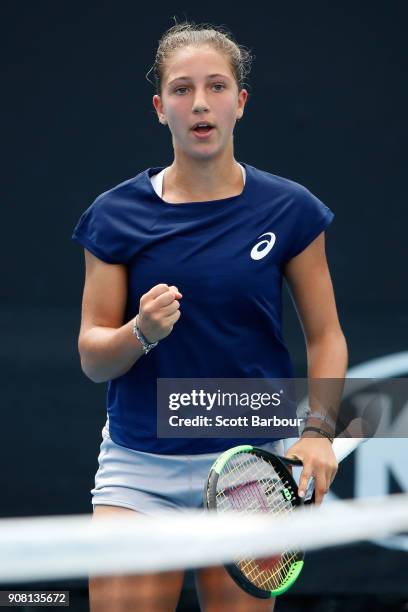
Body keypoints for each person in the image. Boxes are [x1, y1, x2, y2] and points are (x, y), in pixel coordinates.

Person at [72, 20, 348, 612]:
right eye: (181, 89)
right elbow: (94, 356)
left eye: (217, 87)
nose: (200, 103)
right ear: (159, 107)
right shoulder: (115, 215)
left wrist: (319, 434)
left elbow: (326, 337)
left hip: (250, 467)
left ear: (240, 103)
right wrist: (139, 332)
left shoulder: (289, 209)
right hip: (140, 469)